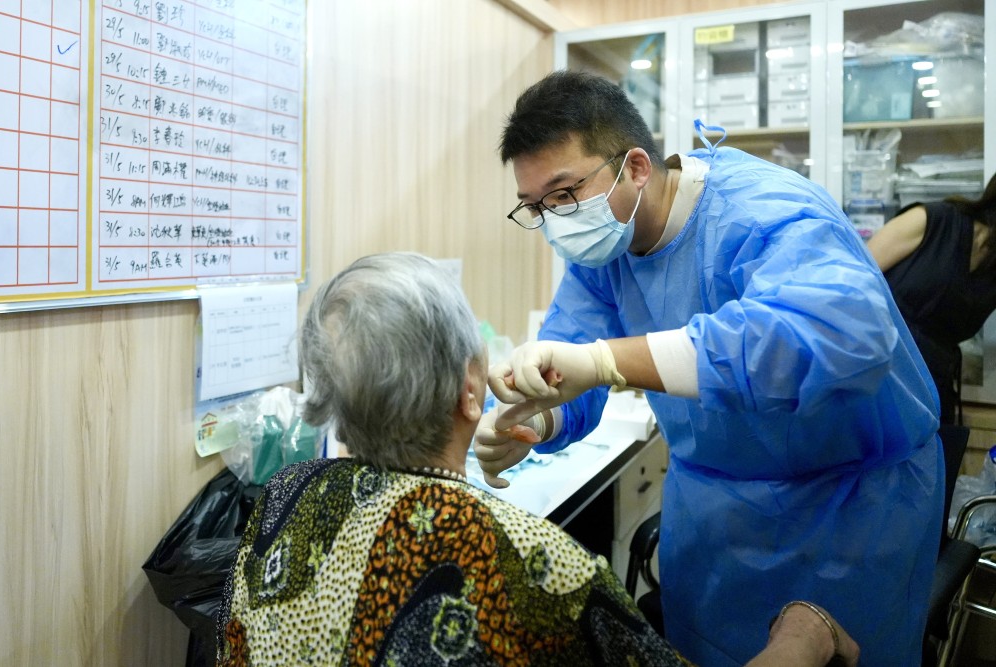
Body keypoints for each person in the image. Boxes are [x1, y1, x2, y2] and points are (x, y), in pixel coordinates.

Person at [474, 70, 942, 667]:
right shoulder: (605, 252)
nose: (556, 220)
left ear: (636, 166)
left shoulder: (761, 211)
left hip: (848, 516)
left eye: (565, 195)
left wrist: (605, 362)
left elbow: (839, 334)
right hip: (714, 520)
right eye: (536, 207)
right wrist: (532, 421)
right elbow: (569, 358)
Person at [215, 251, 859, 666]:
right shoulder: (537, 566)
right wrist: (805, 637)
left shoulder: (283, 497)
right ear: (473, 392)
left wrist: (555, 412)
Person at [866, 173, 996, 424]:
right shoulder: (935, 220)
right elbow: (851, 283)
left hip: (930, 392)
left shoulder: (992, 270)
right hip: (872, 379)